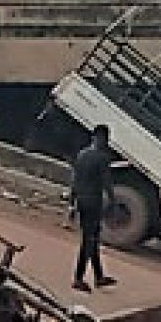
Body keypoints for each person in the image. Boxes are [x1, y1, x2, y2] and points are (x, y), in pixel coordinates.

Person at [70, 125, 117, 293]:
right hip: (93, 202)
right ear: (103, 138)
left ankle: (99, 276)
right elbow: (107, 183)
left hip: (82, 201)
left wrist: (71, 203)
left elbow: (74, 180)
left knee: (92, 239)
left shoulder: (82, 154)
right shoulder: (102, 158)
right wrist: (113, 202)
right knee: (89, 241)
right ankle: (78, 277)